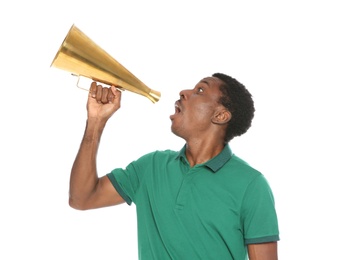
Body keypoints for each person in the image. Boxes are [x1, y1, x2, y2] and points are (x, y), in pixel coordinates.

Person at [69, 73, 280, 260]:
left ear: (220, 115)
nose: (183, 92)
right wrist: (95, 122)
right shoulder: (151, 167)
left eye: (200, 90)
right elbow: (82, 198)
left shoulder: (252, 185)